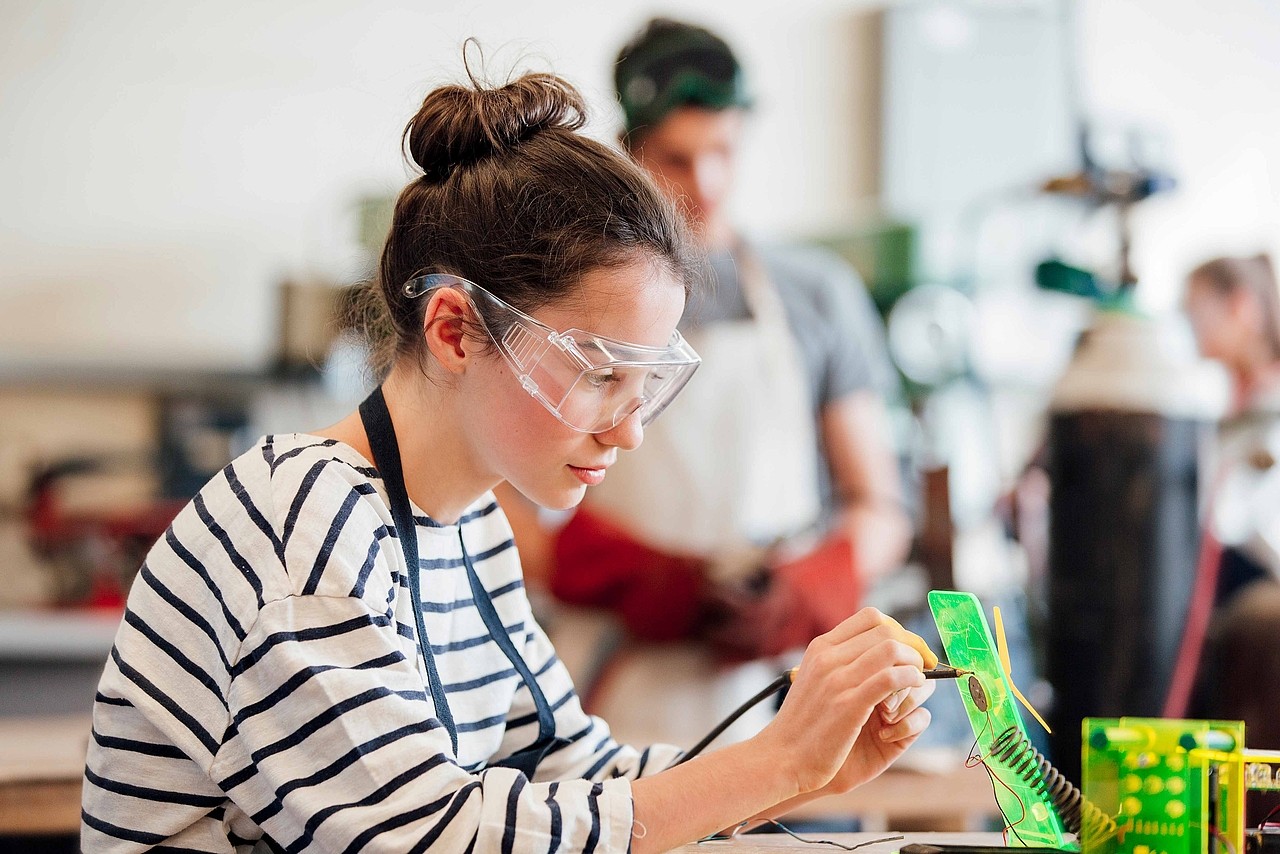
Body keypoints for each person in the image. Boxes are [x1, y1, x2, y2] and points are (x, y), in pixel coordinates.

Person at [80, 68, 939, 852]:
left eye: (645, 384)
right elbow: (424, 836)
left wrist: (808, 762)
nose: (629, 430)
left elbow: (565, 772)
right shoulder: (304, 521)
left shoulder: (468, 524)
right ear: (456, 330)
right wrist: (775, 766)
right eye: (601, 373)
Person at [498, 18, 912, 747]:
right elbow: (499, 496)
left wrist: (820, 581)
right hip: (614, 684)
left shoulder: (816, 294)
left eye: (723, 151)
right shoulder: (578, 292)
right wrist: (612, 573)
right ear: (632, 151)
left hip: (783, 684)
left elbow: (880, 504)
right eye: (678, 158)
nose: (707, 184)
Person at [1181, 253, 1280, 747]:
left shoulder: (1269, 412)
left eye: (1198, 309)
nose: (1188, 323)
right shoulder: (1220, 409)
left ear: (1241, 307)